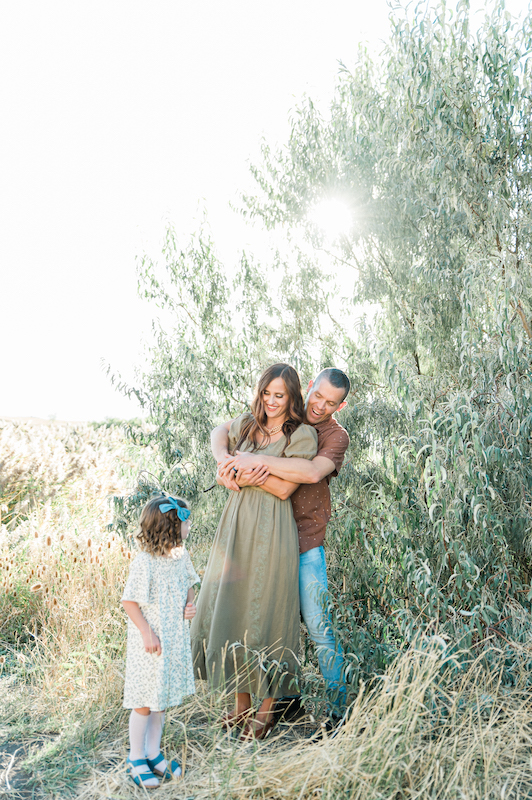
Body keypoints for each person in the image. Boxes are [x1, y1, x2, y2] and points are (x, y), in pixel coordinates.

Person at [215, 367, 350, 725]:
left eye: (331, 403)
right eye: (318, 396)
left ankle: (339, 715)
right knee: (261, 618)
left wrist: (253, 462)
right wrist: (226, 462)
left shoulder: (334, 436)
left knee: (318, 627)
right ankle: (286, 702)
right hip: (259, 537)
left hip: (304, 541)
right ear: (309, 387)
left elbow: (310, 473)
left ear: (340, 406)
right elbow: (221, 430)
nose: (320, 406)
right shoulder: (281, 411)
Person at [190, 363, 318, 740]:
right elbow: (218, 432)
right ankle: (240, 705)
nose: (272, 401)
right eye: (266, 393)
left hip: (273, 529)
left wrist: (248, 471)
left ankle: (267, 710)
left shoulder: (301, 434)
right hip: (235, 526)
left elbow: (284, 489)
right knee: (234, 607)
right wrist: (225, 461)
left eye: (280, 395)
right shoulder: (247, 424)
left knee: (269, 612)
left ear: (292, 397)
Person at [122, 494, 200, 789]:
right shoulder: (145, 562)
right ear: (170, 526)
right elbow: (130, 602)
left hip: (173, 639)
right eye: (186, 521)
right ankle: (136, 757)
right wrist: (147, 632)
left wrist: (189, 605)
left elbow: (189, 586)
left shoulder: (181, 556)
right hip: (150, 643)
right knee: (145, 701)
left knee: (161, 700)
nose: (190, 525)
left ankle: (153, 752)